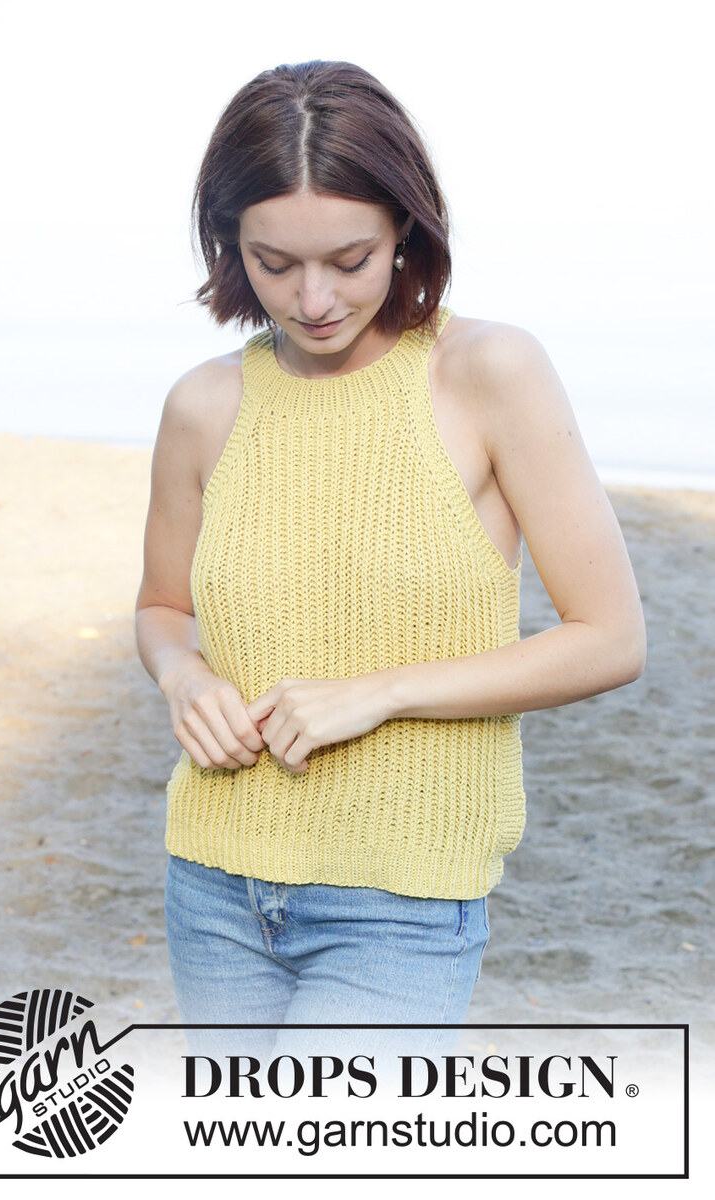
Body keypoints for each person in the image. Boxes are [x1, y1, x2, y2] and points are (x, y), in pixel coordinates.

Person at [135, 60, 646, 1063]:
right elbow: (161, 606)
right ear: (230, 245)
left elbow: (610, 639)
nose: (313, 298)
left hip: (400, 904)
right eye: (274, 263)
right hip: (213, 885)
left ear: (406, 226)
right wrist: (182, 678)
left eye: (350, 258)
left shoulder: (487, 372)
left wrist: (380, 693)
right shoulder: (202, 403)